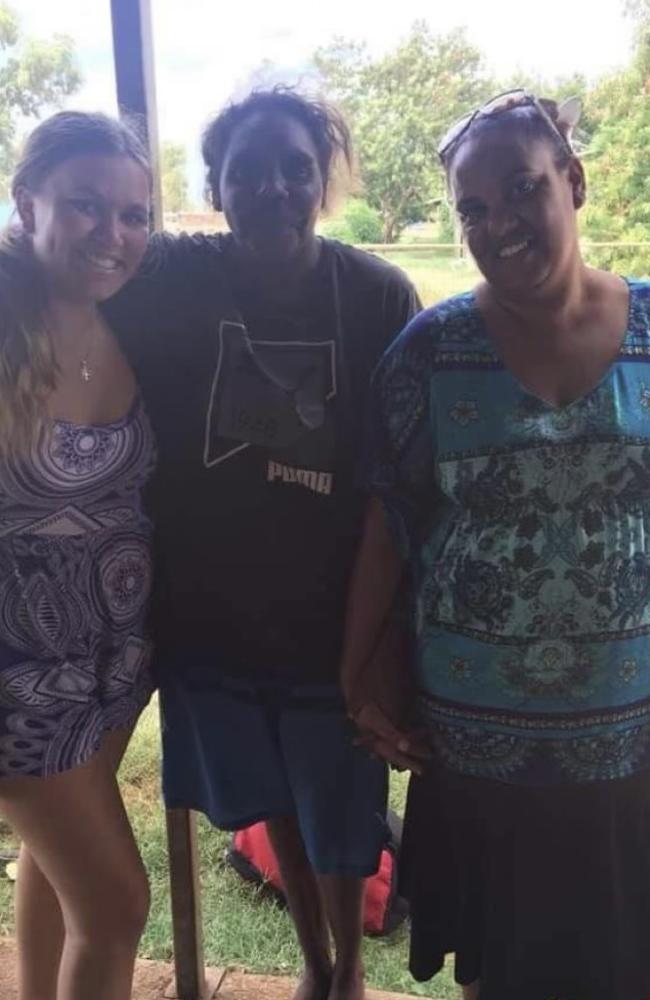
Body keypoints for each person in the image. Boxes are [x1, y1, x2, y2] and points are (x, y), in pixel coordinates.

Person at [105, 87, 420, 1000]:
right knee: (270, 794)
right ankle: (318, 962)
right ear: (217, 181)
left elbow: (396, 476)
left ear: (323, 182)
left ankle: (349, 970)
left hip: (335, 616)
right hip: (210, 612)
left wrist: (387, 634)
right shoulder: (170, 274)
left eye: (296, 169)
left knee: (341, 808)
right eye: (248, 170)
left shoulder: (374, 294)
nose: (273, 187)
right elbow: (70, 266)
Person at [340, 90, 650, 1000]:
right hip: (477, 740)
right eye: (472, 208)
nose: (497, 223)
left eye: (521, 190)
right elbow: (386, 525)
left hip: (630, 736)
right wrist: (360, 674)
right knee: (500, 965)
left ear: (575, 181)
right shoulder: (429, 354)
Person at [0, 112, 155, 1000]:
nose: (114, 234)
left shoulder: (125, 318)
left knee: (53, 871)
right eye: (86, 206)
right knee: (116, 903)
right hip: (19, 679)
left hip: (113, 663)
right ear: (28, 204)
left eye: (133, 214)